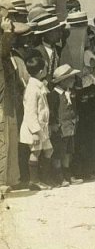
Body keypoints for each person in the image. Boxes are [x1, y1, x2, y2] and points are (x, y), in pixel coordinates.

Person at [1, 13, 27, 193]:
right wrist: (7, 32)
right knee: (3, 140)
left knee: (10, 137)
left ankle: (10, 178)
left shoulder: (8, 55)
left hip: (8, 99)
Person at [20, 54, 53, 190]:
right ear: (40, 72)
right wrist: (34, 132)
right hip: (34, 129)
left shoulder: (38, 85)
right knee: (36, 152)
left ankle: (43, 178)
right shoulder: (32, 89)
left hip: (42, 127)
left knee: (49, 150)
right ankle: (34, 181)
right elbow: (30, 113)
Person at [48, 64, 82, 187]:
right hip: (60, 128)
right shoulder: (54, 95)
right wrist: (53, 123)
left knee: (68, 152)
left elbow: (74, 108)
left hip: (70, 127)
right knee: (58, 152)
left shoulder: (70, 93)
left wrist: (76, 118)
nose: (73, 81)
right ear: (63, 81)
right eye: (71, 78)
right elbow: (51, 111)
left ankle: (67, 174)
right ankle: (58, 176)